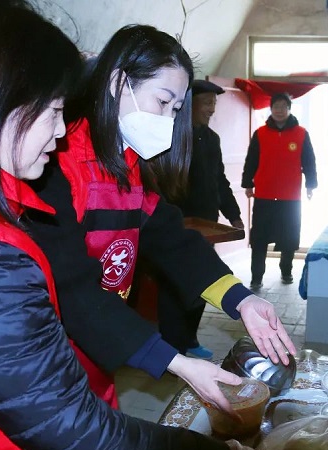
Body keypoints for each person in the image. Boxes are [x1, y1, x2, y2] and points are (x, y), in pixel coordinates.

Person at [0, 0, 233, 450]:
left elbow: (168, 234)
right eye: (53, 110)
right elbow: (77, 434)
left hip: (51, 400)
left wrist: (237, 297)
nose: (59, 131)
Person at [28, 24, 296, 413]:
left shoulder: (126, 164)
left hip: (96, 358)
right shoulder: (54, 164)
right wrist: (175, 361)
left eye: (176, 109)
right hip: (44, 360)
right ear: (118, 84)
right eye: (163, 101)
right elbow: (72, 290)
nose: (169, 120)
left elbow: (173, 240)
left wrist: (242, 300)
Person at [157, 79, 244, 359]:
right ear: (189, 105)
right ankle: (172, 348)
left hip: (207, 225)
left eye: (214, 104)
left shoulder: (211, 139)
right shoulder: (172, 137)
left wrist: (234, 215)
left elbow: (220, 180)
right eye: (207, 103)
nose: (211, 109)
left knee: (201, 282)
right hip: (177, 225)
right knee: (174, 288)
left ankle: (190, 339)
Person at [242, 92, 318, 289]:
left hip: (290, 196)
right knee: (259, 238)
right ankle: (256, 276)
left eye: (283, 106)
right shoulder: (260, 133)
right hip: (264, 195)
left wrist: (311, 184)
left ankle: (286, 271)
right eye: (276, 106)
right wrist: (247, 183)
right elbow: (251, 160)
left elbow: (309, 161)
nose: (279, 110)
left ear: (289, 109)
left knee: (289, 237)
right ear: (271, 109)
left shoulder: (301, 133)